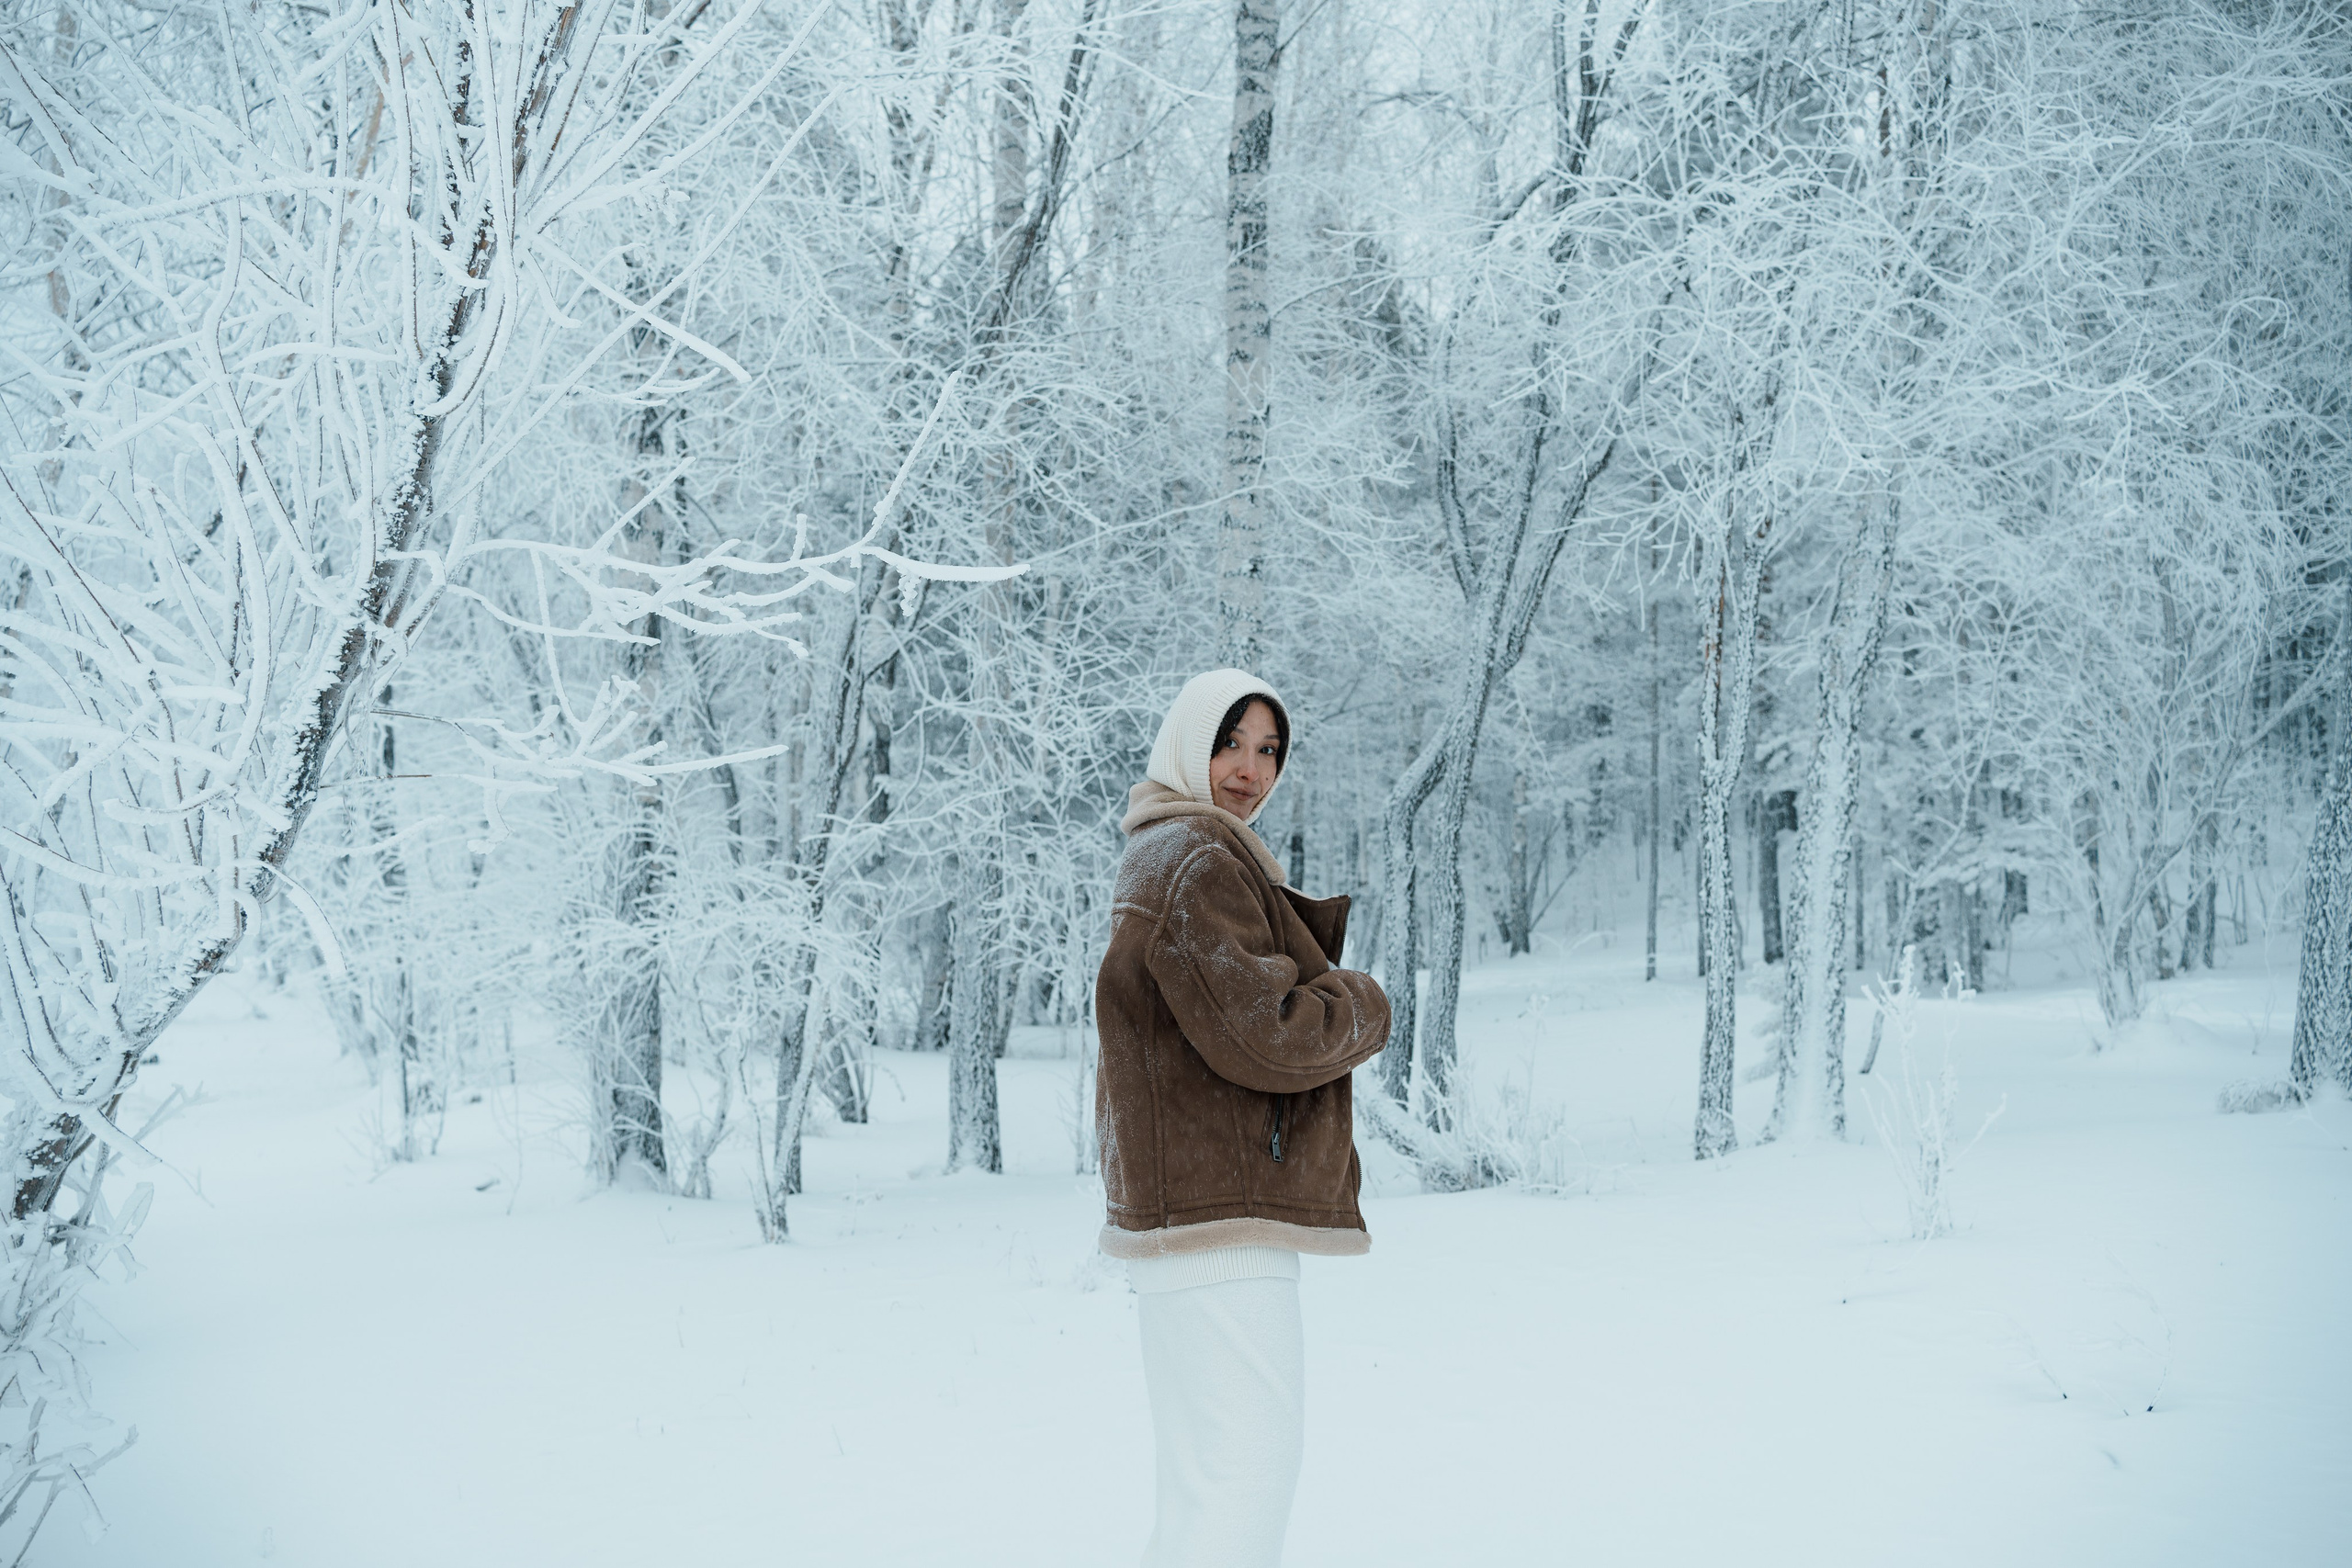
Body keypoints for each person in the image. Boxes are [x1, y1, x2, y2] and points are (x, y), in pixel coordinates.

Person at [1093, 668, 1393, 1568]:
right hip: (1219, 1220)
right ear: (1188, 747)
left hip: (1184, 1216)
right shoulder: (1196, 857)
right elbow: (1263, 1036)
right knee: (1247, 1473)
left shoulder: (1165, 851)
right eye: (1227, 744)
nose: (1248, 770)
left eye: (1268, 751)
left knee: (1201, 1484)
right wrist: (1362, 1003)